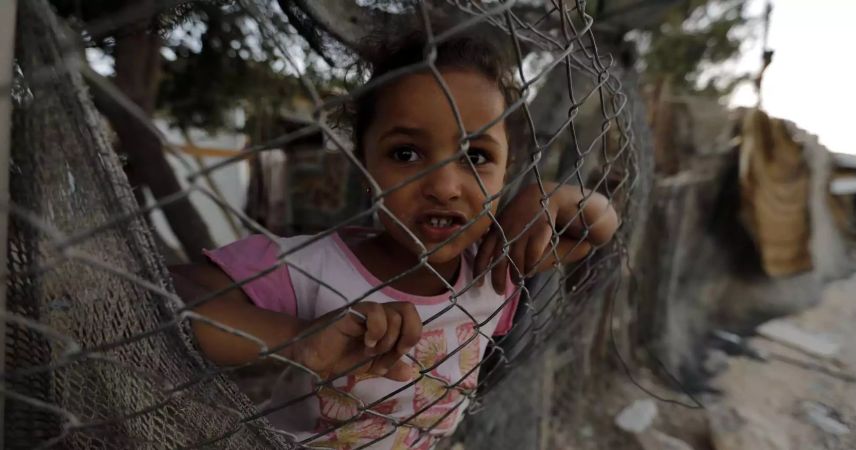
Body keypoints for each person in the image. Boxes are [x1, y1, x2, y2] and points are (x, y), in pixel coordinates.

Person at [171, 29, 619, 450]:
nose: (444, 186)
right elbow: (173, 293)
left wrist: (548, 195)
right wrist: (298, 339)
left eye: (476, 156)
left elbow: (598, 229)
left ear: (506, 171)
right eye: (406, 154)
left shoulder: (492, 269)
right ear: (364, 167)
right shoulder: (314, 268)